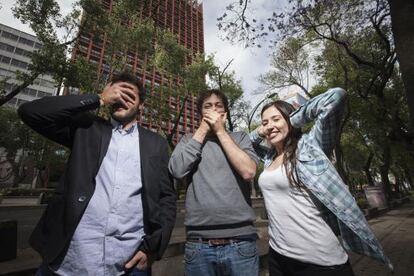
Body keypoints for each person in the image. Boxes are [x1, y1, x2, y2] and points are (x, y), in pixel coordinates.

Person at [18, 72, 176, 275]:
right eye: (117, 93)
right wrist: (98, 99)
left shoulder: (156, 143)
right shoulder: (87, 128)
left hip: (128, 265)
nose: (121, 99)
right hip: (68, 262)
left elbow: (166, 197)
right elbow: (30, 112)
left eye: (129, 95)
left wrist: (153, 247)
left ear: (141, 105)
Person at [250, 88, 392, 276]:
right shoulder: (269, 156)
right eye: (265, 122)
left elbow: (336, 97)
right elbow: (249, 141)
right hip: (279, 255)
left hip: (320, 261)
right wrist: (262, 129)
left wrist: (291, 120)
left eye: (276, 119)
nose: (269, 126)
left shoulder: (310, 146)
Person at [168, 89, 260, 276]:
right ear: (200, 113)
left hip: (241, 242)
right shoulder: (187, 140)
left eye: (218, 106)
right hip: (199, 246)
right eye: (207, 106)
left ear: (225, 113)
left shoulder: (239, 138)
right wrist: (203, 130)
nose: (213, 110)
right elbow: (177, 170)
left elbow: (249, 171)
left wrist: (220, 131)